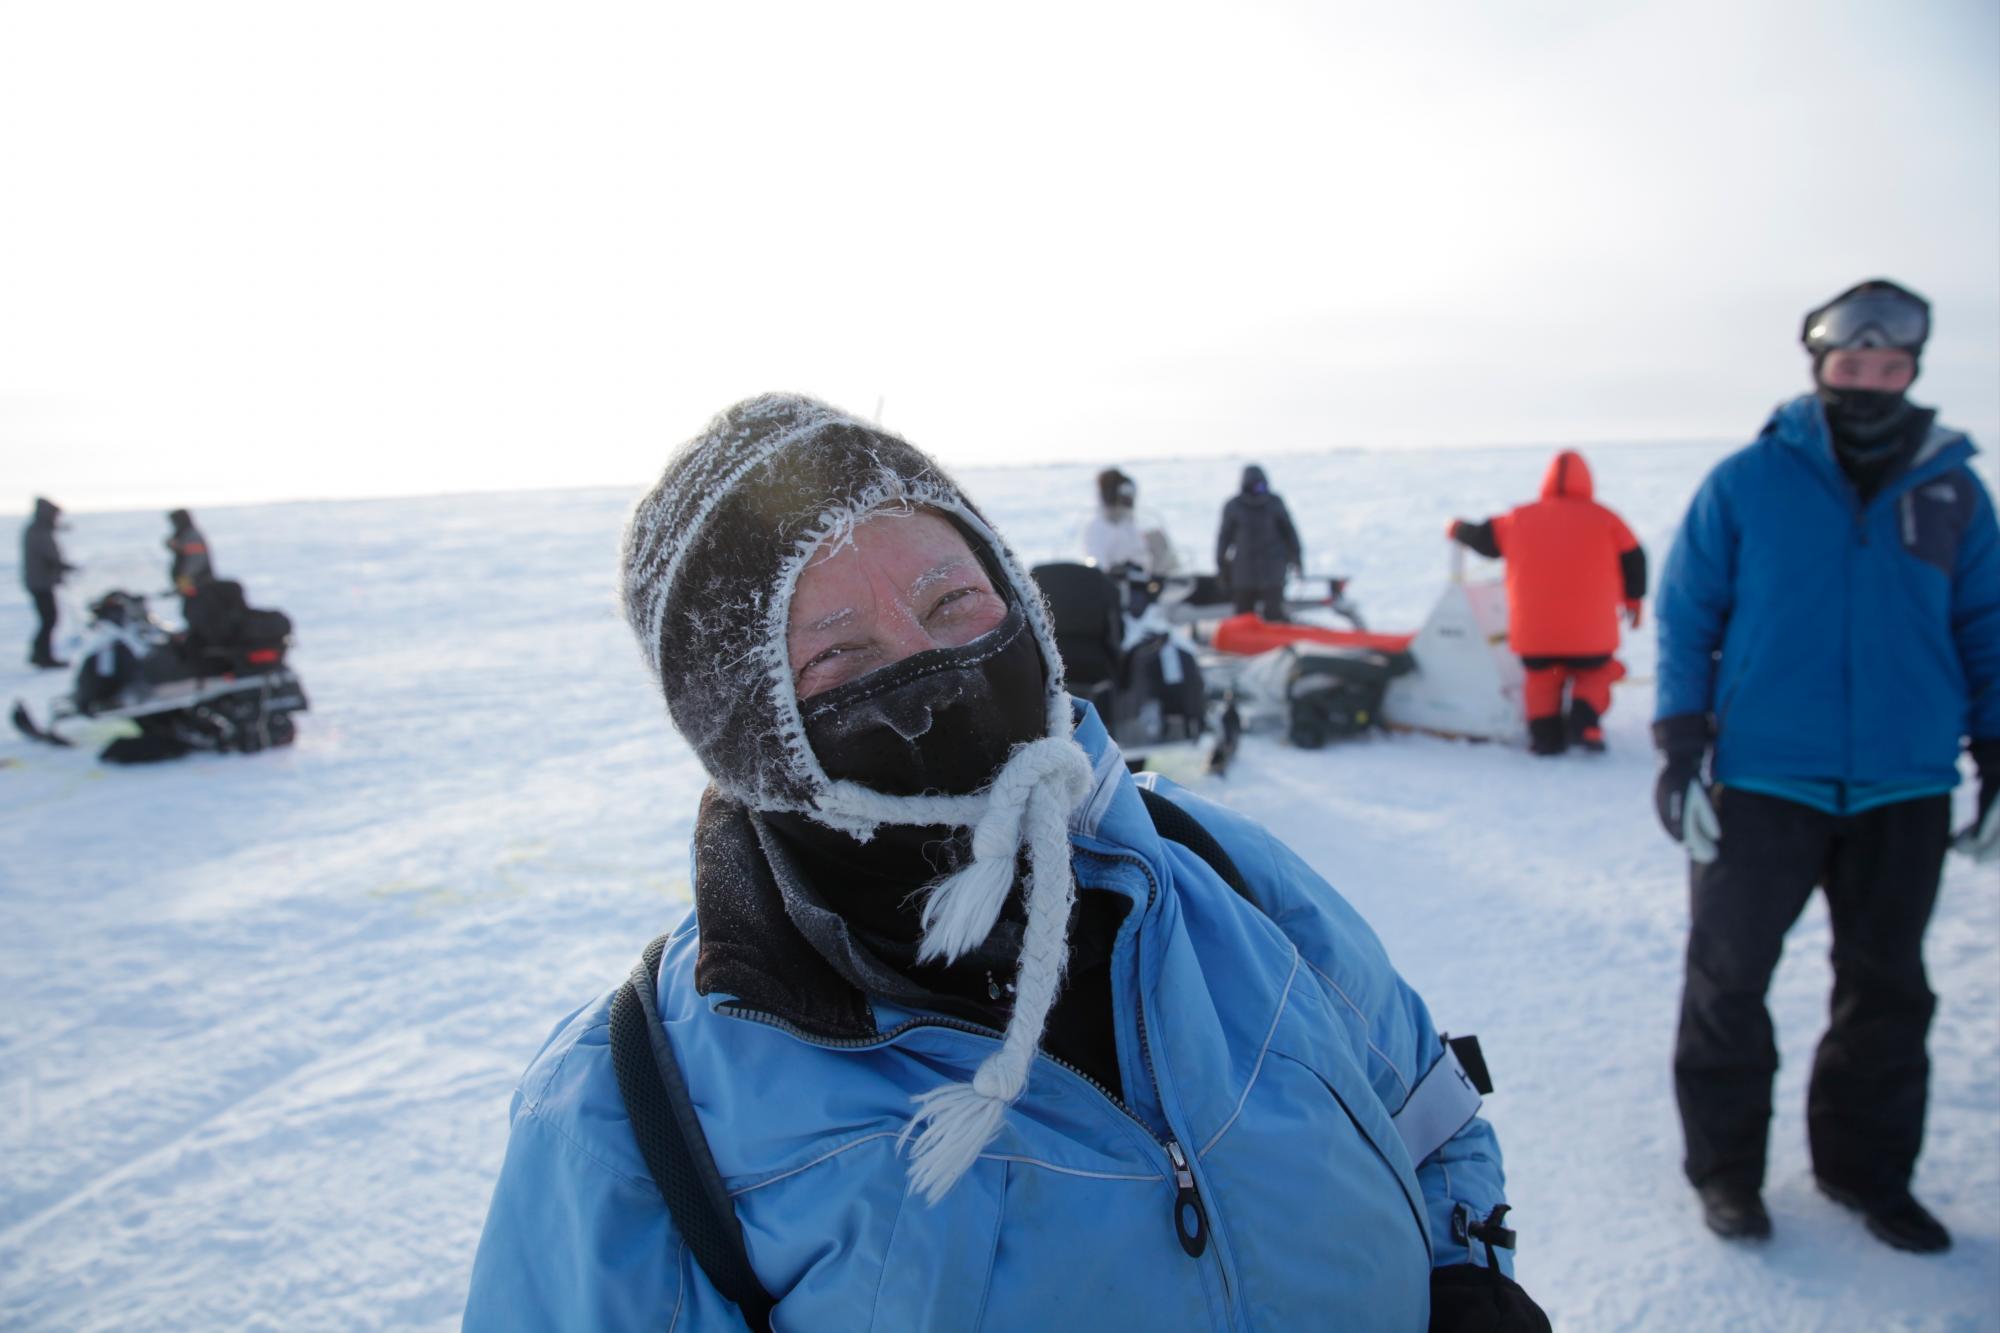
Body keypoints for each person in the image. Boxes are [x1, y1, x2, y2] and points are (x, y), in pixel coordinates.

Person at [466, 395, 1549, 1331]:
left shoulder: (1215, 878)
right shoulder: (634, 1108)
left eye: (952, 603)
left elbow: (1430, 1121)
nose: (936, 671)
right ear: (749, 733)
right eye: (840, 652)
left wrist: (1467, 1286)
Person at [1653, 279, 2000, 1253]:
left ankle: (1863, 1173)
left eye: (1887, 367)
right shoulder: (1746, 480)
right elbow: (1686, 618)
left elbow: (1986, 625)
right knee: (1726, 981)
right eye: (1850, 366)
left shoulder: (1951, 491)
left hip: (1905, 786)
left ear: (1911, 371)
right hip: (1763, 779)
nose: (1868, 381)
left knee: (1886, 988)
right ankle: (1724, 1172)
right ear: (1818, 368)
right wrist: (1681, 749)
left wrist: (1995, 749)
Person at [1448, 451, 1646, 754]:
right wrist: (1634, 601)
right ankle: (1586, 723)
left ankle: (1544, 737)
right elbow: (1635, 560)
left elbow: (1483, 539)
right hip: (1591, 639)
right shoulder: (1608, 519)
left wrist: (1457, 528)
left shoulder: (1517, 518)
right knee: (1598, 672)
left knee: (1542, 680)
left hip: (1535, 636)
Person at [1216, 464, 1302, 620]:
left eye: (1261, 486)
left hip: (1272, 573)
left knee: (1274, 617)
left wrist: (1296, 558)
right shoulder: (1234, 506)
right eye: (1255, 486)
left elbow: (1289, 533)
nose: (1259, 490)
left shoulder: (1274, 503)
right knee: (1244, 619)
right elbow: (1223, 539)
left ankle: (1276, 642)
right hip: (1245, 575)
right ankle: (1244, 643)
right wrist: (1222, 567)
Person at [1082, 467, 1177, 578]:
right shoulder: (1096, 528)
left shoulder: (1137, 525)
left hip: (1144, 584)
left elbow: (1154, 560)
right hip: (1115, 586)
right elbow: (1097, 563)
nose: (1128, 504)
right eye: (1125, 498)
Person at [20, 496, 76, 669]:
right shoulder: (39, 531)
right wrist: (63, 566)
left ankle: (40, 654)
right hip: (40, 583)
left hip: (40, 581)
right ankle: (43, 656)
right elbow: (48, 554)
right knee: (49, 619)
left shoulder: (38, 528)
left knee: (48, 619)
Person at [165, 509, 214, 599]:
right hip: (190, 582)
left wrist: (185, 577)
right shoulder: (183, 535)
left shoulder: (192, 536)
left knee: (197, 606)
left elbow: (197, 560)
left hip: (198, 582)